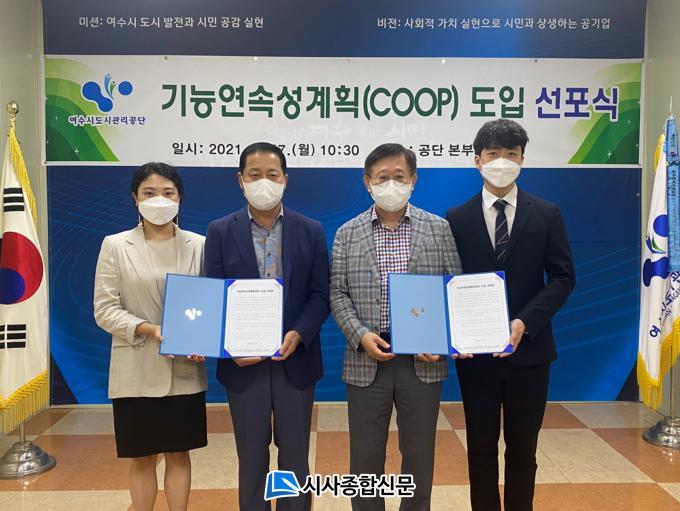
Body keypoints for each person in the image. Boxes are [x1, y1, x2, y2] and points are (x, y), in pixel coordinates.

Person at [446, 119, 576, 511]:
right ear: (477, 160)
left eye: (511, 154)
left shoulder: (547, 213)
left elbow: (563, 277)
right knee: (480, 450)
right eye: (493, 154)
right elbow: (447, 282)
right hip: (476, 357)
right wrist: (453, 333)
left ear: (522, 159)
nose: (501, 162)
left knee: (523, 450)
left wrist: (524, 322)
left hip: (530, 353)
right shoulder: (456, 218)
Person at [330, 143, 461, 511]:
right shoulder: (347, 233)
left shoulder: (438, 229)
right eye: (382, 177)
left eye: (399, 177)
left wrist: (441, 339)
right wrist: (360, 335)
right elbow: (337, 293)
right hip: (367, 358)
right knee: (365, 456)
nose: (391, 184)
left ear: (413, 180)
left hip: (422, 359)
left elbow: (454, 289)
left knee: (419, 453)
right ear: (367, 182)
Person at [204, 142, 330, 511]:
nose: (264, 182)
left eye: (272, 175)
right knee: (252, 459)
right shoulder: (220, 231)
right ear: (240, 180)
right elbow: (214, 297)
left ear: (285, 180)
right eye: (255, 174)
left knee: (295, 459)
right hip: (243, 366)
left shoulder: (310, 230)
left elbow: (321, 295)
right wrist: (229, 345)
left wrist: (299, 333)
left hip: (296, 362)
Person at [93, 162, 207, 511]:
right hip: (136, 370)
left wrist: (202, 338)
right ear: (135, 198)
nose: (159, 200)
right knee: (141, 458)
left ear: (180, 198)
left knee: (179, 454)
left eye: (168, 193)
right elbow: (104, 310)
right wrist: (150, 329)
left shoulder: (199, 245)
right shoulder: (115, 245)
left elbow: (207, 303)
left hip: (184, 370)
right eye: (149, 193)